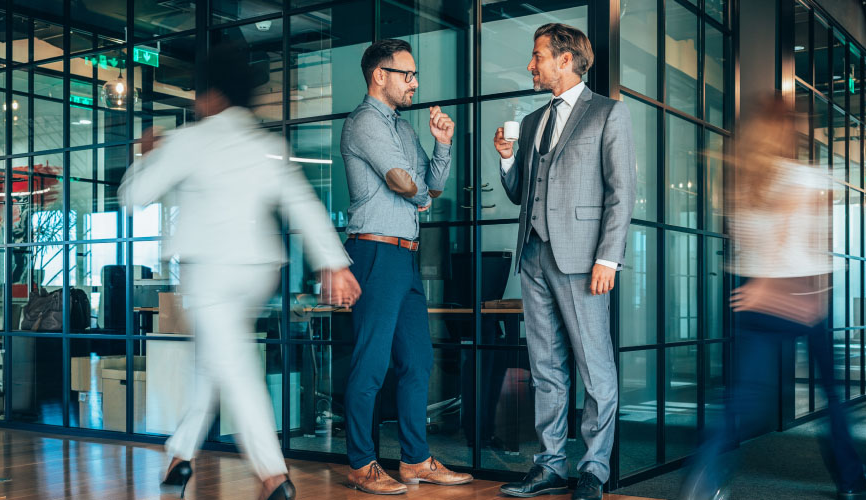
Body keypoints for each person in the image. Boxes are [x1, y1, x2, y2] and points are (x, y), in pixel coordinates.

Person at [120, 42, 361, 500]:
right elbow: (303, 204)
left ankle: (273, 474)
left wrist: (146, 155)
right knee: (213, 362)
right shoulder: (266, 145)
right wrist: (333, 262)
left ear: (209, 96)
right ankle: (180, 456)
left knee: (233, 364)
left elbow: (133, 197)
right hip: (258, 271)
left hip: (209, 271)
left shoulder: (191, 139)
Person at [678, 97, 866, 500]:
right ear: (783, 130)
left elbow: (741, 238)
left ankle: (705, 471)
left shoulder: (738, 179)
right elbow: (800, 234)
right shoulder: (804, 177)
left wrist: (754, 286)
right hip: (799, 292)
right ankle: (851, 480)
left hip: (752, 294)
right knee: (831, 393)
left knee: (741, 396)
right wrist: (795, 290)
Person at [493, 23, 636, 500]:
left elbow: (622, 193)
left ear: (566, 60)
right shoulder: (532, 121)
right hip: (532, 255)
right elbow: (520, 194)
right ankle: (550, 464)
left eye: (537, 56)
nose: (531, 64)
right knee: (545, 367)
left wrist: (608, 259)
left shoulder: (608, 115)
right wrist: (508, 158)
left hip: (582, 260)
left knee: (594, 368)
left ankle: (594, 468)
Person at [340, 38, 473, 495]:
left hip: (407, 255)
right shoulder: (364, 123)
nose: (414, 82)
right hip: (375, 253)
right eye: (407, 74)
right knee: (372, 364)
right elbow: (403, 183)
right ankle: (361, 464)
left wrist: (443, 144)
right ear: (380, 75)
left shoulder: (404, 129)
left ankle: (414, 460)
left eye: (415, 75)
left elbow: (430, 187)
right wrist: (416, 194)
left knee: (418, 361)